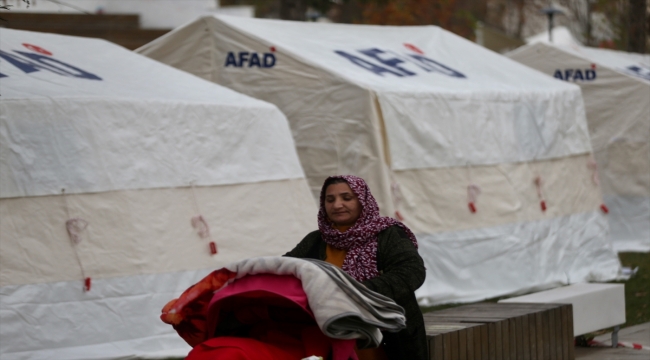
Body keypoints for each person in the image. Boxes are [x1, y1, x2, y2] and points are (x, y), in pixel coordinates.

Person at [285, 175, 427, 360]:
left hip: (390, 340)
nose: (337, 205)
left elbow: (411, 271)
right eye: (330, 199)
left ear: (362, 201)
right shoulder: (316, 240)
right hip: (330, 338)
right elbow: (286, 269)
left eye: (346, 198)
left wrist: (357, 292)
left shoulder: (388, 235)